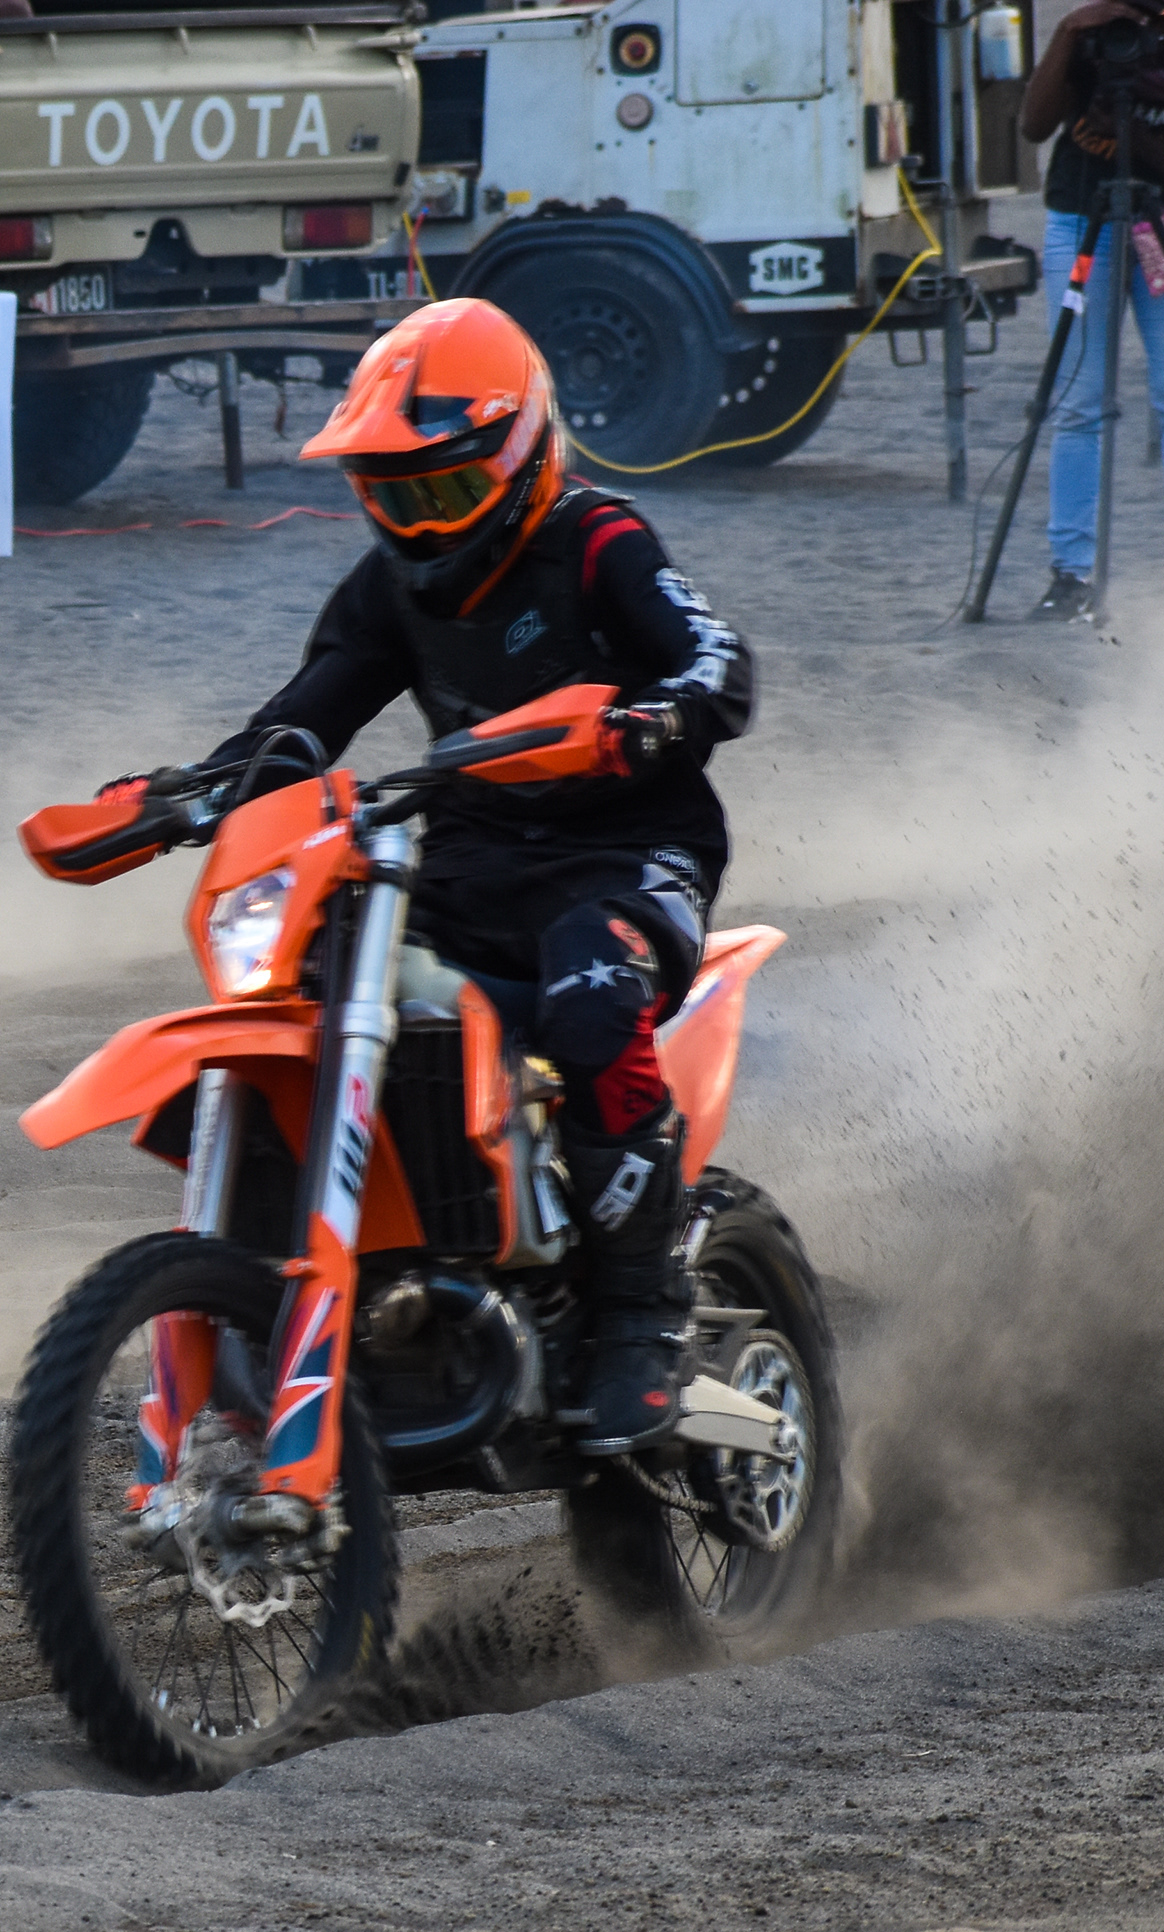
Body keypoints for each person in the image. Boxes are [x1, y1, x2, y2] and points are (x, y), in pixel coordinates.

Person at [175, 297, 756, 1449]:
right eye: (392, 496)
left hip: (629, 858)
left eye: (439, 492)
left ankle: (642, 1308)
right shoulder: (390, 590)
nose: (421, 526)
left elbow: (721, 664)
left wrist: (651, 718)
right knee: (321, 976)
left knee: (593, 1000)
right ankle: (351, 1270)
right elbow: (304, 724)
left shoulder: (601, 542)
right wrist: (194, 792)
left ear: (521, 455)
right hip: (477, 861)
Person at [1019, 0, 1164, 621]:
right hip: (1080, 220)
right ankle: (1070, 575)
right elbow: (1033, 126)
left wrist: (1133, 138)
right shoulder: (1087, 45)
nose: (1136, 34)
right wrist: (1069, 33)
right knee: (1078, 404)